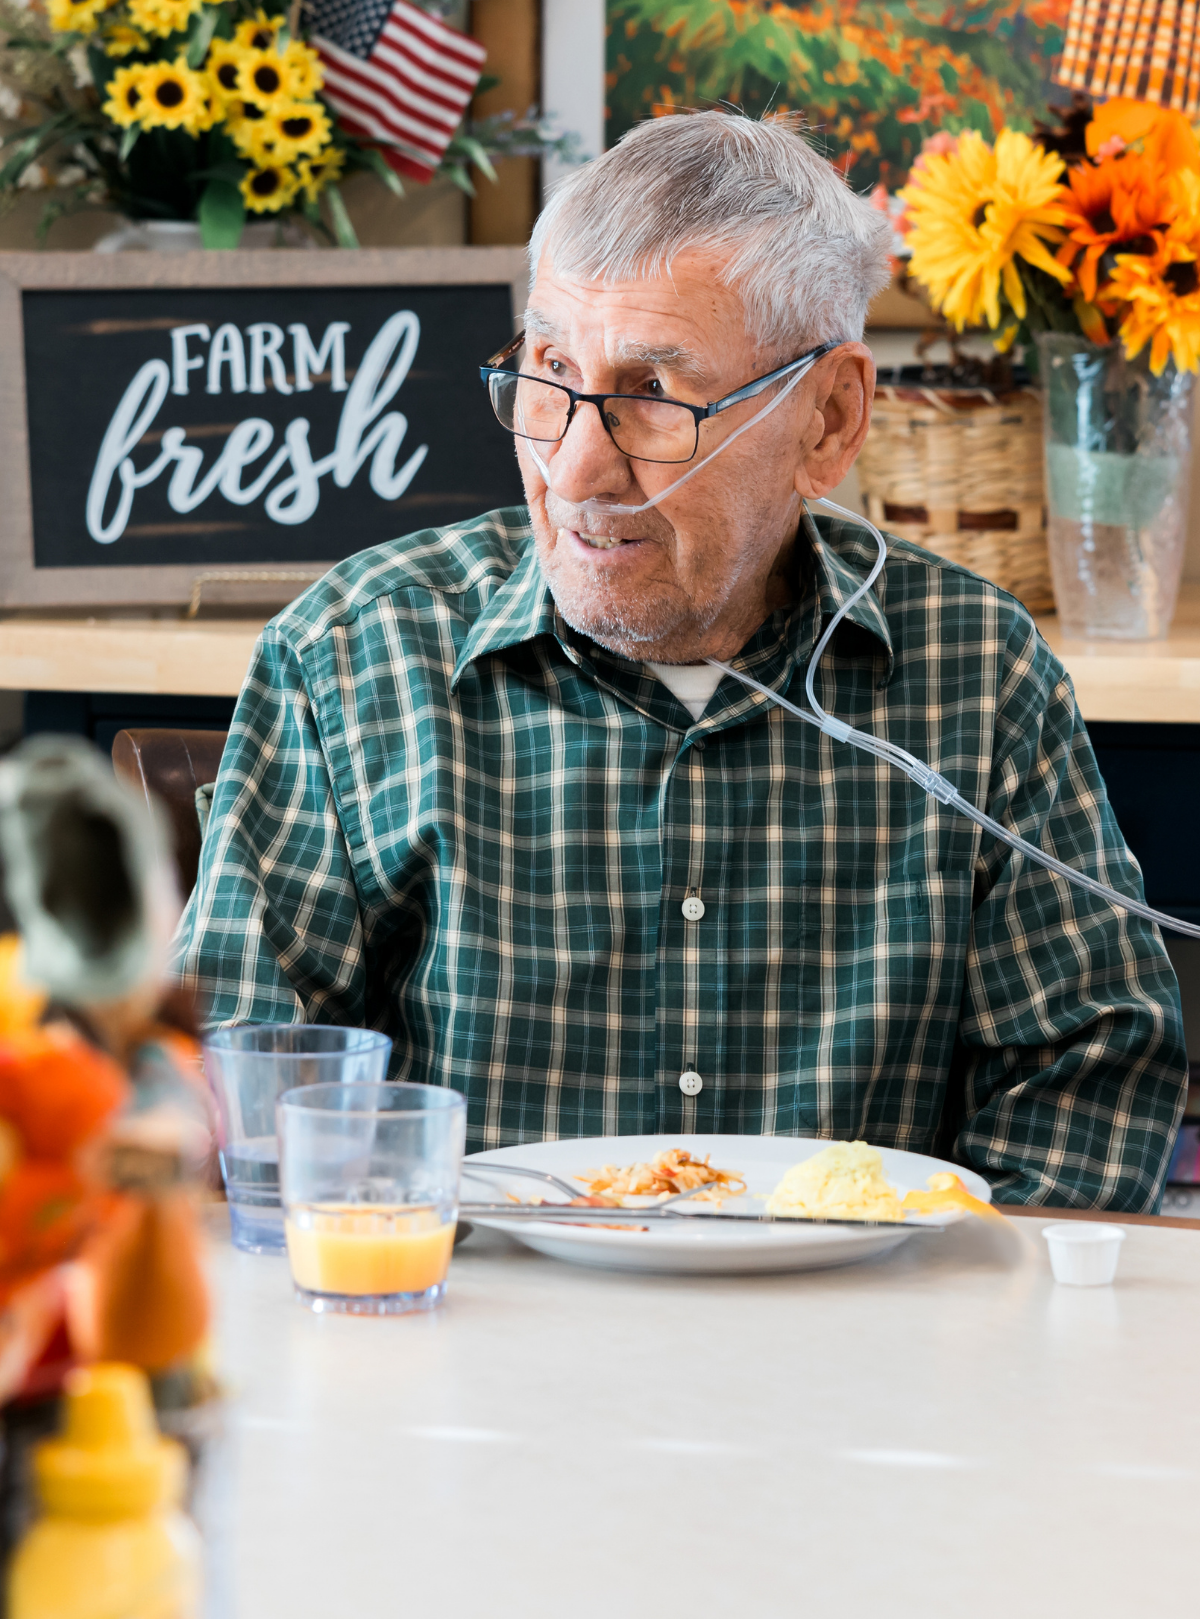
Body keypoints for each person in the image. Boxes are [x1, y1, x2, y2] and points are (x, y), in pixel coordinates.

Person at [176, 111, 1186, 1208]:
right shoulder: (354, 653)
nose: (574, 469)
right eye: (552, 369)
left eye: (653, 395)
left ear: (830, 421)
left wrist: (949, 1327)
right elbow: (234, 1086)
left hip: (861, 1360)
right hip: (468, 1341)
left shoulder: (978, 673)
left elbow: (1091, 1078)